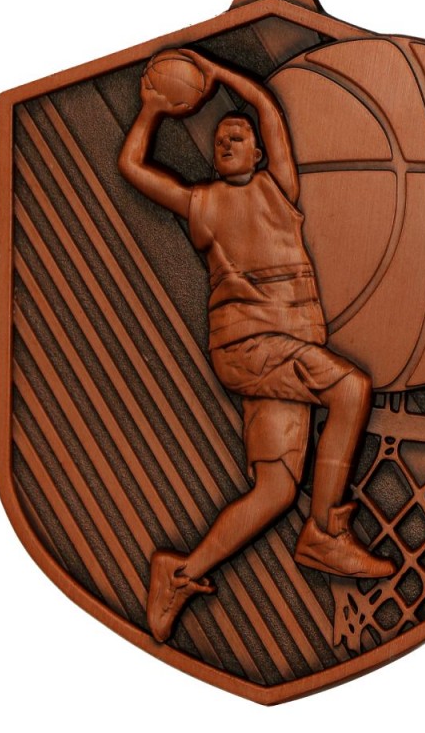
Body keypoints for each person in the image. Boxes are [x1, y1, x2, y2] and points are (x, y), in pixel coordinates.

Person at [118, 49, 395, 643]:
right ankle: (325, 533)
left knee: (275, 492)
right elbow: (133, 166)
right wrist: (151, 110)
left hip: (284, 350)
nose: (226, 141)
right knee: (351, 389)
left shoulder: (280, 188)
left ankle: (180, 574)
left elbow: (267, 106)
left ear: (260, 153)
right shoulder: (203, 203)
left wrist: (218, 73)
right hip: (250, 347)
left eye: (237, 136)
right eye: (219, 139)